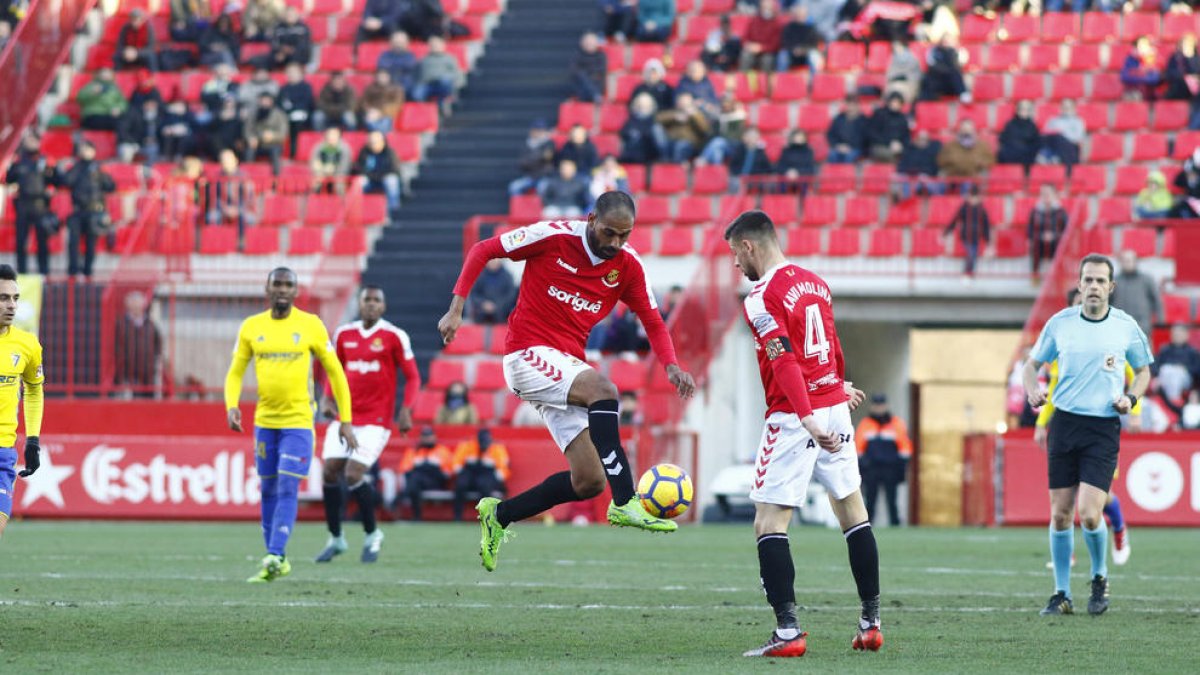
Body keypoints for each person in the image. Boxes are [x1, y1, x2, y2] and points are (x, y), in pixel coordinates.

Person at [439, 191, 697, 571]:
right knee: (605, 391)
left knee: (589, 480)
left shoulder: (627, 266)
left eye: (624, 236)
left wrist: (671, 365)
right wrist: (456, 309)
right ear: (592, 219)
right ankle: (626, 501)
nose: (615, 243)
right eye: (609, 233)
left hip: (565, 366)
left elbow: (653, 321)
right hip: (526, 354)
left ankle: (500, 515)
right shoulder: (552, 237)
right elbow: (482, 249)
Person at [721, 211, 877, 657]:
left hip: (795, 416)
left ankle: (788, 632)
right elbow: (831, 344)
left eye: (735, 253)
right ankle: (871, 622)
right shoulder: (815, 282)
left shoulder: (760, 297)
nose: (735, 264)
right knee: (852, 509)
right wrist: (836, 385)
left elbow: (784, 361)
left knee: (769, 522)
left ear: (749, 246)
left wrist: (806, 416)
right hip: (834, 408)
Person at [1023, 258, 1151, 614]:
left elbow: (1142, 371)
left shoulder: (1125, 326)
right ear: (1079, 285)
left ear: (1110, 287)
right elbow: (1031, 366)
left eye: (1100, 280)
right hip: (1064, 424)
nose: (1094, 286)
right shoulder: (1060, 324)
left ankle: (1099, 577)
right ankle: (1061, 593)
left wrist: (1132, 399)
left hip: (1103, 426)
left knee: (1090, 513)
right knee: (1061, 514)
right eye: (1088, 280)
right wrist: (1032, 390)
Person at [225, 268, 357, 583]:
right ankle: (277, 557)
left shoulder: (310, 325)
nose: (283, 290)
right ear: (268, 289)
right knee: (268, 488)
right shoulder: (251, 327)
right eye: (278, 284)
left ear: (296, 292)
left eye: (288, 285)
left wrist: (346, 420)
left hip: (298, 422)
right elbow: (235, 372)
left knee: (286, 485)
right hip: (264, 422)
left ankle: (274, 553)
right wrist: (231, 406)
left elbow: (336, 372)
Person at [314, 285, 421, 564]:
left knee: (352, 474)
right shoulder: (344, 334)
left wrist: (406, 410)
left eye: (376, 301)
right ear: (360, 304)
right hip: (346, 418)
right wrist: (327, 399)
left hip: (376, 420)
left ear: (383, 307)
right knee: (329, 472)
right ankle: (336, 538)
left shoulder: (394, 336)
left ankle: (372, 534)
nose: (371, 305)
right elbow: (333, 370)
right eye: (367, 300)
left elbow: (412, 377)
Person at [0, 264, 45, 542]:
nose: (12, 305)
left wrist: (33, 440)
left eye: (15, 298)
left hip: (3, 451)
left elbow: (34, 390)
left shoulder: (27, 345)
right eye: (3, 297)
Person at [59, 142, 117, 280]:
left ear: (94, 151)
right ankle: (73, 272)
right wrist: (76, 167)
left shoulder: (99, 168)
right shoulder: (76, 167)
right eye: (83, 149)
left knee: (91, 244)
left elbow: (111, 186)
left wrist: (99, 173)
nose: (85, 152)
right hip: (78, 211)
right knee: (73, 243)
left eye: (88, 149)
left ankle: (88, 272)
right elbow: (66, 181)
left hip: (95, 212)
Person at [855, 394, 911, 527]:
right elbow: (858, 447)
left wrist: (900, 466)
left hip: (890, 468)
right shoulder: (866, 424)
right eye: (876, 405)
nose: (879, 408)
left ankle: (895, 524)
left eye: (881, 405)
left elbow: (905, 447)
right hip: (871, 468)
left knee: (892, 500)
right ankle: (867, 526)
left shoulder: (896, 423)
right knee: (870, 500)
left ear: (886, 406)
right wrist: (863, 465)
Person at [5, 135, 56, 275]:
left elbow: (56, 179)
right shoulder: (19, 161)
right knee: (21, 241)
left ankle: (44, 273)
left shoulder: (45, 160)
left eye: (34, 140)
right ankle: (21, 273)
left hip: (40, 205)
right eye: (29, 139)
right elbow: (9, 179)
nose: (31, 142)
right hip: (23, 205)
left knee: (42, 241)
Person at [451, 429, 511, 521]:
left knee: (484, 485)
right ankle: (457, 516)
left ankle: (486, 517)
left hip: (488, 475)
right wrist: (461, 473)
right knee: (461, 484)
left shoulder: (497, 448)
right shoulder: (467, 445)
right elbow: (456, 463)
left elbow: (504, 468)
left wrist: (496, 479)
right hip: (470, 472)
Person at [397, 426, 453, 521]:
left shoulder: (442, 451)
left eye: (429, 436)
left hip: (435, 482)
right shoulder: (414, 451)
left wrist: (434, 465)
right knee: (415, 480)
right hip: (418, 482)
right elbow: (405, 469)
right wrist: (419, 464)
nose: (427, 439)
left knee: (415, 481)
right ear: (421, 438)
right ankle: (416, 516)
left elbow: (448, 473)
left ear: (434, 437)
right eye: (425, 436)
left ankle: (403, 499)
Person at [113, 291, 161, 398]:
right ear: (128, 306)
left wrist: (154, 362)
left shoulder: (151, 325)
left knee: (150, 407)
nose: (136, 307)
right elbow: (117, 348)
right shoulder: (121, 325)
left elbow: (158, 345)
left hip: (149, 374)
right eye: (133, 304)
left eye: (138, 304)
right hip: (129, 375)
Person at [1110, 250, 1161, 341]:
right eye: (1124, 260)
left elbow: (1156, 300)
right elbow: (1107, 302)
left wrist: (1160, 319)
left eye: (1129, 260)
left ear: (1135, 261)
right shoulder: (1114, 281)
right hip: (1119, 327)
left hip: (1142, 326)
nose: (1127, 263)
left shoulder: (1147, 279)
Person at [943, 185, 991, 278]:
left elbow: (986, 226)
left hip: (976, 237)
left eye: (976, 197)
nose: (974, 200)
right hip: (965, 236)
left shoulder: (982, 210)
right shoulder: (964, 208)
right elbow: (954, 220)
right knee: (971, 254)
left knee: (973, 255)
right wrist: (946, 232)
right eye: (972, 197)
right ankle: (967, 273)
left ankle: (969, 274)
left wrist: (988, 242)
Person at [352, 130, 403, 216]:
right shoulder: (364, 152)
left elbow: (393, 170)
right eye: (371, 142)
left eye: (375, 142)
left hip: (383, 179)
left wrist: (377, 175)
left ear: (382, 142)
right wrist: (373, 176)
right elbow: (360, 168)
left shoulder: (389, 153)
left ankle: (394, 208)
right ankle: (356, 209)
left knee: (391, 180)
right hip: (370, 180)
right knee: (359, 181)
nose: (373, 144)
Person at [655, 92, 712, 163]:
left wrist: (694, 115)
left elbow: (705, 130)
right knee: (656, 128)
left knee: (681, 145)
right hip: (670, 142)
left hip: (689, 144)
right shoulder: (673, 112)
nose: (684, 104)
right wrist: (675, 117)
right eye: (682, 102)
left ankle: (675, 166)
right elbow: (657, 118)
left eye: (686, 102)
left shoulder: (697, 114)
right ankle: (665, 159)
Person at [936, 119, 994, 190]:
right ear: (959, 130)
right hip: (953, 177)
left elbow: (990, 161)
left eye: (969, 129)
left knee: (968, 185)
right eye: (964, 129)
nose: (966, 132)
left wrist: (979, 162)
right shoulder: (950, 145)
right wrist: (953, 162)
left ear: (974, 130)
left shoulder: (982, 145)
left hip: (973, 178)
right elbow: (941, 160)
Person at [243, 92, 289, 175]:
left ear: (271, 102)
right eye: (262, 100)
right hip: (258, 143)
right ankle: (247, 176)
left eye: (267, 100)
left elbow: (283, 134)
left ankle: (276, 179)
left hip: (273, 144)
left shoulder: (279, 115)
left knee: (275, 153)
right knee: (248, 151)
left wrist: (273, 136)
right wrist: (250, 138)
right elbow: (248, 129)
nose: (264, 103)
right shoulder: (254, 114)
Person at [411, 36, 463, 106]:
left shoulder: (450, 58)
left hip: (442, 84)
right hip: (427, 84)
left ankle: (443, 104)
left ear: (443, 46)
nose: (435, 47)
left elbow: (457, 72)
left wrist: (458, 84)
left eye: (437, 45)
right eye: (433, 45)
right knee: (416, 93)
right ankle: (426, 110)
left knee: (446, 80)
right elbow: (416, 74)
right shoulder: (423, 60)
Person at [1027, 184, 1067, 278]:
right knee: (1035, 243)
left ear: (1054, 195)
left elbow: (1066, 231)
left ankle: (1059, 275)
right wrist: (1041, 236)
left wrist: (1054, 236)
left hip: (1056, 242)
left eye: (1048, 193)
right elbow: (1030, 229)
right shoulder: (1035, 211)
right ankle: (1035, 275)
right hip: (1040, 242)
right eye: (1043, 194)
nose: (1045, 196)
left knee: (1060, 245)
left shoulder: (1061, 212)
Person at [892, 129, 943, 201]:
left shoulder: (932, 152)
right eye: (920, 139)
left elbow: (933, 169)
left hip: (926, 178)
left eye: (925, 139)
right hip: (909, 177)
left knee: (927, 183)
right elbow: (902, 167)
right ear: (916, 139)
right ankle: (904, 204)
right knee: (902, 182)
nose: (922, 141)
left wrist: (924, 174)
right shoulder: (909, 151)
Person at [618, 93, 666, 164]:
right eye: (640, 105)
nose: (643, 107)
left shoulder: (655, 120)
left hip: (650, 151)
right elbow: (624, 133)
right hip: (633, 152)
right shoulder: (631, 120)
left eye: (646, 105)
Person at [919, 34, 968, 102]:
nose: (946, 43)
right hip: (938, 81)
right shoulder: (934, 51)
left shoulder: (959, 51)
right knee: (929, 76)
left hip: (951, 84)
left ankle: (963, 94)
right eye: (945, 41)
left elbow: (959, 65)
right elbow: (932, 64)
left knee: (955, 73)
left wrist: (951, 52)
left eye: (949, 41)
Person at [77, 67, 129, 132]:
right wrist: (92, 93)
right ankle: (124, 141)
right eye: (104, 72)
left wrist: (119, 109)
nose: (106, 75)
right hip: (93, 115)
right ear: (99, 74)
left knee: (128, 119)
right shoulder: (91, 85)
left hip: (110, 115)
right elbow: (80, 98)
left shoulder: (115, 88)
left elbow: (123, 102)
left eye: (108, 72)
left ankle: (128, 141)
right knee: (120, 123)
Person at [741, 0, 785, 72]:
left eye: (768, 7)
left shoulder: (777, 23)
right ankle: (742, 81)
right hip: (753, 50)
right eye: (764, 7)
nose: (766, 9)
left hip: (769, 52)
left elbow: (776, 44)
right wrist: (748, 45)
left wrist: (762, 48)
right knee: (745, 56)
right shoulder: (754, 21)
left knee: (767, 60)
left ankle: (766, 82)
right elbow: (745, 37)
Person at [865, 93, 910, 164]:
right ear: (889, 102)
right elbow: (872, 133)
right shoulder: (879, 114)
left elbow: (906, 136)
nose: (896, 104)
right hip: (879, 146)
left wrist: (901, 145)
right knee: (891, 156)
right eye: (894, 102)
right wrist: (889, 143)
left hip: (897, 147)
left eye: (898, 102)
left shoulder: (903, 118)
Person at [469, 259, 517, 324]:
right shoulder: (479, 276)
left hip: (502, 315)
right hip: (481, 315)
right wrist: (483, 304)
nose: (493, 262)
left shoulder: (507, 276)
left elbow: (511, 295)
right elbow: (474, 294)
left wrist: (497, 305)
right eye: (491, 259)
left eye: (495, 259)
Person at [1040, 99, 1085, 169]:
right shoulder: (1053, 120)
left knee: (1059, 138)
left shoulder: (1078, 121)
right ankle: (1047, 157)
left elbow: (1077, 138)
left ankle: (1055, 158)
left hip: (1069, 148)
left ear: (1073, 108)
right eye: (1064, 107)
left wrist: (1062, 134)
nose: (1066, 109)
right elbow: (1045, 133)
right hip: (1054, 145)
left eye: (1068, 107)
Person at [777, 3, 821, 72]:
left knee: (814, 55)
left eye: (803, 15)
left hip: (806, 55)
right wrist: (794, 49)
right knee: (783, 55)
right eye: (799, 15)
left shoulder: (811, 28)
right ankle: (781, 79)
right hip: (791, 54)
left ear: (806, 16)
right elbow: (785, 42)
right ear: (795, 16)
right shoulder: (789, 28)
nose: (800, 17)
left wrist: (803, 50)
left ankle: (814, 81)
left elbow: (814, 44)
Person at [997, 100, 1041, 169]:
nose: (1024, 111)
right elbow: (1003, 140)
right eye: (1022, 109)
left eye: (1027, 109)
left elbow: (1036, 143)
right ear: (1017, 110)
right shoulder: (1010, 124)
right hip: (1011, 154)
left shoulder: (1033, 126)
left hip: (1027, 156)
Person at [310, 127, 354, 193]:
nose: (331, 138)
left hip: (339, 174)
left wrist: (332, 171)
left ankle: (341, 202)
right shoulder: (319, 147)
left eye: (334, 135)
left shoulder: (345, 148)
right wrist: (321, 172)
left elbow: (344, 167)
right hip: (321, 173)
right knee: (315, 182)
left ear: (339, 136)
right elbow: (313, 162)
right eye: (329, 135)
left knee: (339, 184)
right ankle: (313, 201)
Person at [377, 31, 420, 97]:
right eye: (396, 42)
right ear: (391, 43)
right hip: (389, 86)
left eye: (401, 43)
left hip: (407, 88)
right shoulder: (385, 56)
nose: (398, 45)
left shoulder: (410, 56)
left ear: (406, 44)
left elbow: (411, 71)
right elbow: (382, 71)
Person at [826, 96, 867, 164]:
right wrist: (837, 145)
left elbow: (864, 139)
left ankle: (846, 174)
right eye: (849, 105)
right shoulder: (839, 118)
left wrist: (849, 147)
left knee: (849, 156)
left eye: (853, 105)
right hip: (839, 147)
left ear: (858, 106)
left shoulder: (864, 121)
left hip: (856, 148)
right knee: (832, 154)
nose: (851, 107)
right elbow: (830, 134)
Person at [1120, 36, 1163, 101]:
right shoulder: (1130, 59)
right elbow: (1124, 77)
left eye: (1145, 45)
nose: (1142, 48)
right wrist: (1143, 75)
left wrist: (1136, 74)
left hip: (1150, 94)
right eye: (1140, 45)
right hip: (1133, 92)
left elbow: (1155, 78)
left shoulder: (1154, 59)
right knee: (1132, 96)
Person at [570, 32, 607, 103]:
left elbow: (602, 70)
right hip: (582, 87)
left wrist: (589, 74)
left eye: (591, 43)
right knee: (582, 75)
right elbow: (574, 71)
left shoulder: (601, 55)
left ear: (596, 44)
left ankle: (595, 94)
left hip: (597, 84)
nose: (589, 45)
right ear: (582, 44)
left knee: (585, 75)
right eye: (587, 43)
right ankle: (595, 95)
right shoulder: (577, 56)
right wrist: (589, 74)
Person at [884, 40, 922, 105]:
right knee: (891, 89)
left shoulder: (913, 59)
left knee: (902, 91)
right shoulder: (893, 58)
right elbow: (890, 73)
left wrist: (903, 77)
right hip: (894, 83)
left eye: (898, 46)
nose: (896, 48)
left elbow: (915, 75)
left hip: (909, 84)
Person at [1165, 34, 1199, 102]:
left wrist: (1190, 58)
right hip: (1179, 86)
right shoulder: (1175, 58)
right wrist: (1185, 77)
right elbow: (1170, 73)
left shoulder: (1197, 59)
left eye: (1190, 45)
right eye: (1185, 44)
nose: (1187, 47)